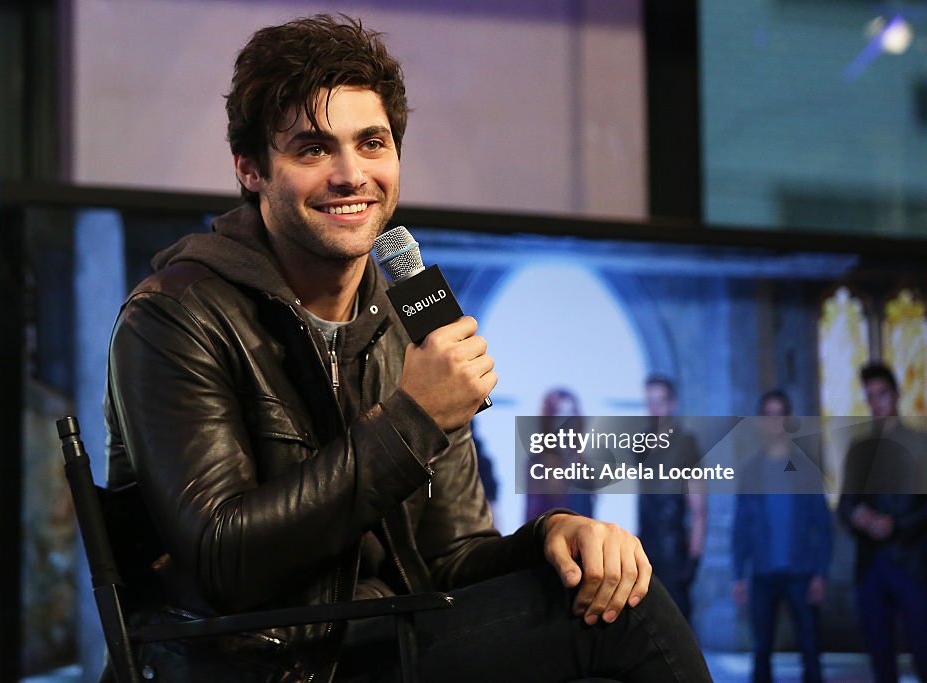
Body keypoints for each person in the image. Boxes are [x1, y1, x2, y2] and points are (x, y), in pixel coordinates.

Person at [104, 15, 711, 682]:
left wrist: (553, 535)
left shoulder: (405, 318)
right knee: (631, 619)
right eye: (312, 150)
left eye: (372, 143)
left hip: (381, 640)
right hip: (259, 661)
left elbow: (451, 559)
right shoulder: (174, 313)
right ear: (250, 169)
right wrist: (413, 418)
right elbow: (223, 560)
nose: (351, 174)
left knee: (609, 593)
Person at [732, 390, 832, 683]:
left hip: (801, 572)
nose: (774, 421)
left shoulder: (806, 470)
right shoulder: (750, 472)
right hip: (762, 573)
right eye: (768, 414)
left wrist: (821, 573)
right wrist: (738, 574)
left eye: (779, 414)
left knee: (810, 649)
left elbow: (822, 525)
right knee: (761, 651)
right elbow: (741, 525)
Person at [837, 362, 927, 683]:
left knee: (923, 649)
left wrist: (895, 524)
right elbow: (845, 503)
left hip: (912, 562)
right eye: (871, 397)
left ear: (896, 395)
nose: (877, 403)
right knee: (879, 656)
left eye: (882, 394)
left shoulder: (920, 444)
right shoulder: (859, 449)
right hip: (870, 565)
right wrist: (859, 517)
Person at [635, 374, 706, 622]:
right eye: (649, 402)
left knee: (678, 624)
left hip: (675, 551)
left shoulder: (686, 444)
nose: (654, 409)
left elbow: (698, 509)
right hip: (646, 548)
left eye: (660, 402)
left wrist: (694, 557)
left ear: (672, 404)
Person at [525, 388, 595, 522]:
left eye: (570, 418)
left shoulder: (584, 465)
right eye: (559, 418)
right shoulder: (537, 463)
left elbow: (590, 516)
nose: (566, 427)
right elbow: (531, 518)